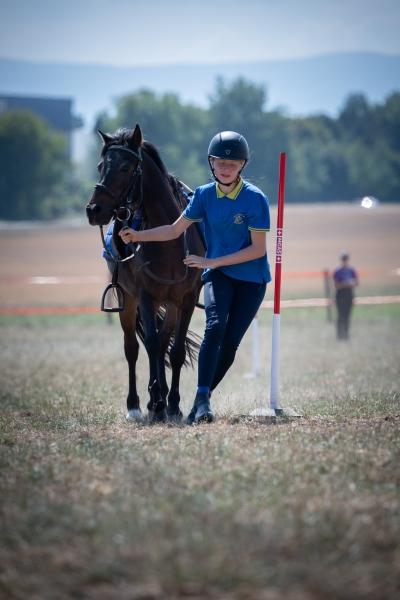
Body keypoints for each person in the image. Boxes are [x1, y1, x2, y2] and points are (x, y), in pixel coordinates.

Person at [119, 131, 271, 423]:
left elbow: (257, 250)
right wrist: (138, 234)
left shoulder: (256, 199)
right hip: (217, 276)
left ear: (242, 165)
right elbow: (175, 230)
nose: (225, 168)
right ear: (211, 163)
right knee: (214, 328)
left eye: (232, 163)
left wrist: (209, 259)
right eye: (220, 162)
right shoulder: (203, 195)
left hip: (252, 280)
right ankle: (201, 402)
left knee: (230, 346)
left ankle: (203, 398)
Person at [332, 252, 359, 340]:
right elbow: (336, 285)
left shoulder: (351, 270)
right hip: (340, 295)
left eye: (346, 259)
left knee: (347, 316)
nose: (344, 260)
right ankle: (339, 336)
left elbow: (356, 282)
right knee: (340, 316)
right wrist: (346, 284)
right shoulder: (337, 271)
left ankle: (346, 335)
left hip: (349, 294)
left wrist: (350, 283)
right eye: (343, 259)